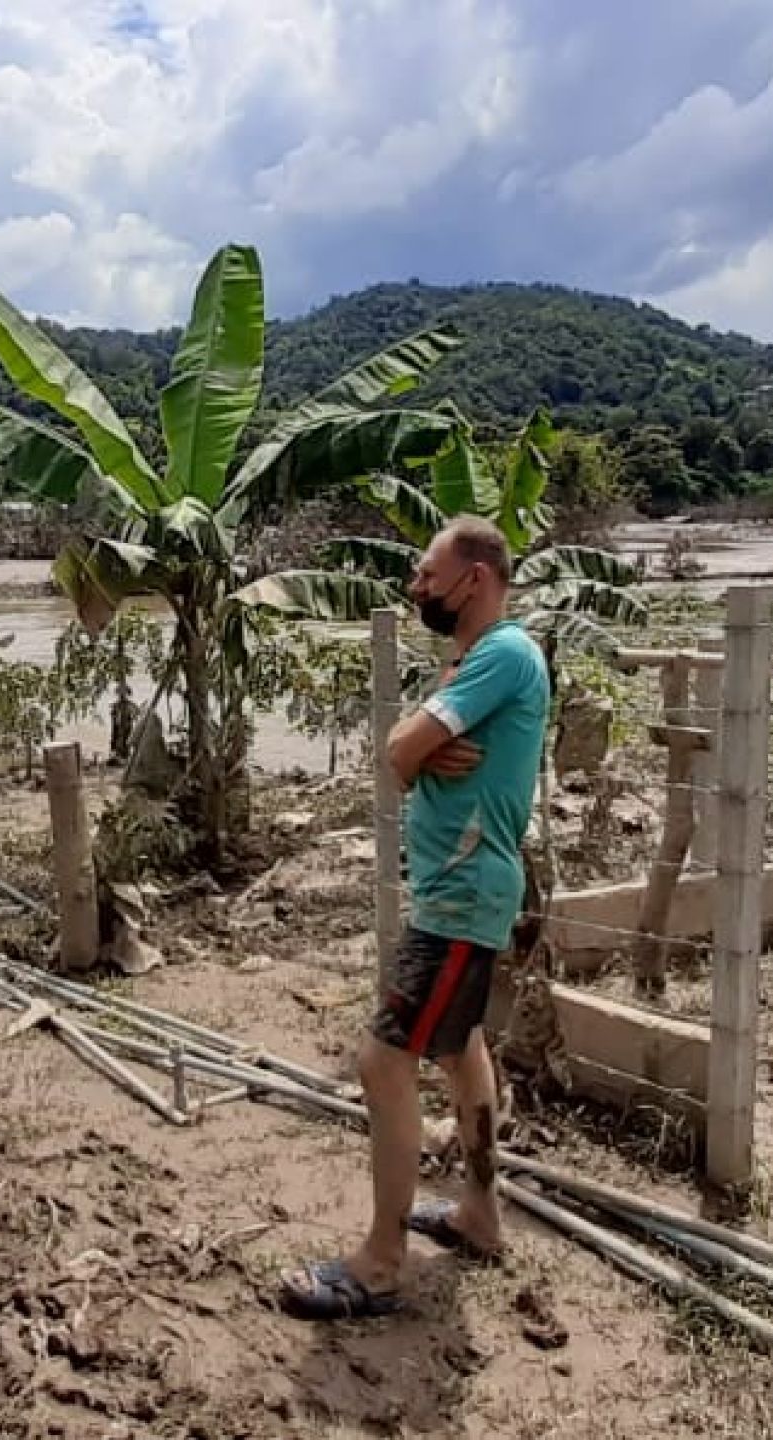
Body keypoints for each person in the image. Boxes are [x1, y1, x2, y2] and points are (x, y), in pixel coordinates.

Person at [281, 515, 551, 1320]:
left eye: (428, 575)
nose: (416, 586)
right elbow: (409, 747)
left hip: (462, 895)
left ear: (475, 579)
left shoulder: (501, 652)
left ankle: (381, 1261)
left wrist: (420, 745)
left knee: (381, 1062)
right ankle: (479, 1214)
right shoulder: (473, 659)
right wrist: (424, 743)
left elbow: (397, 752)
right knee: (459, 1046)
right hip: (459, 890)